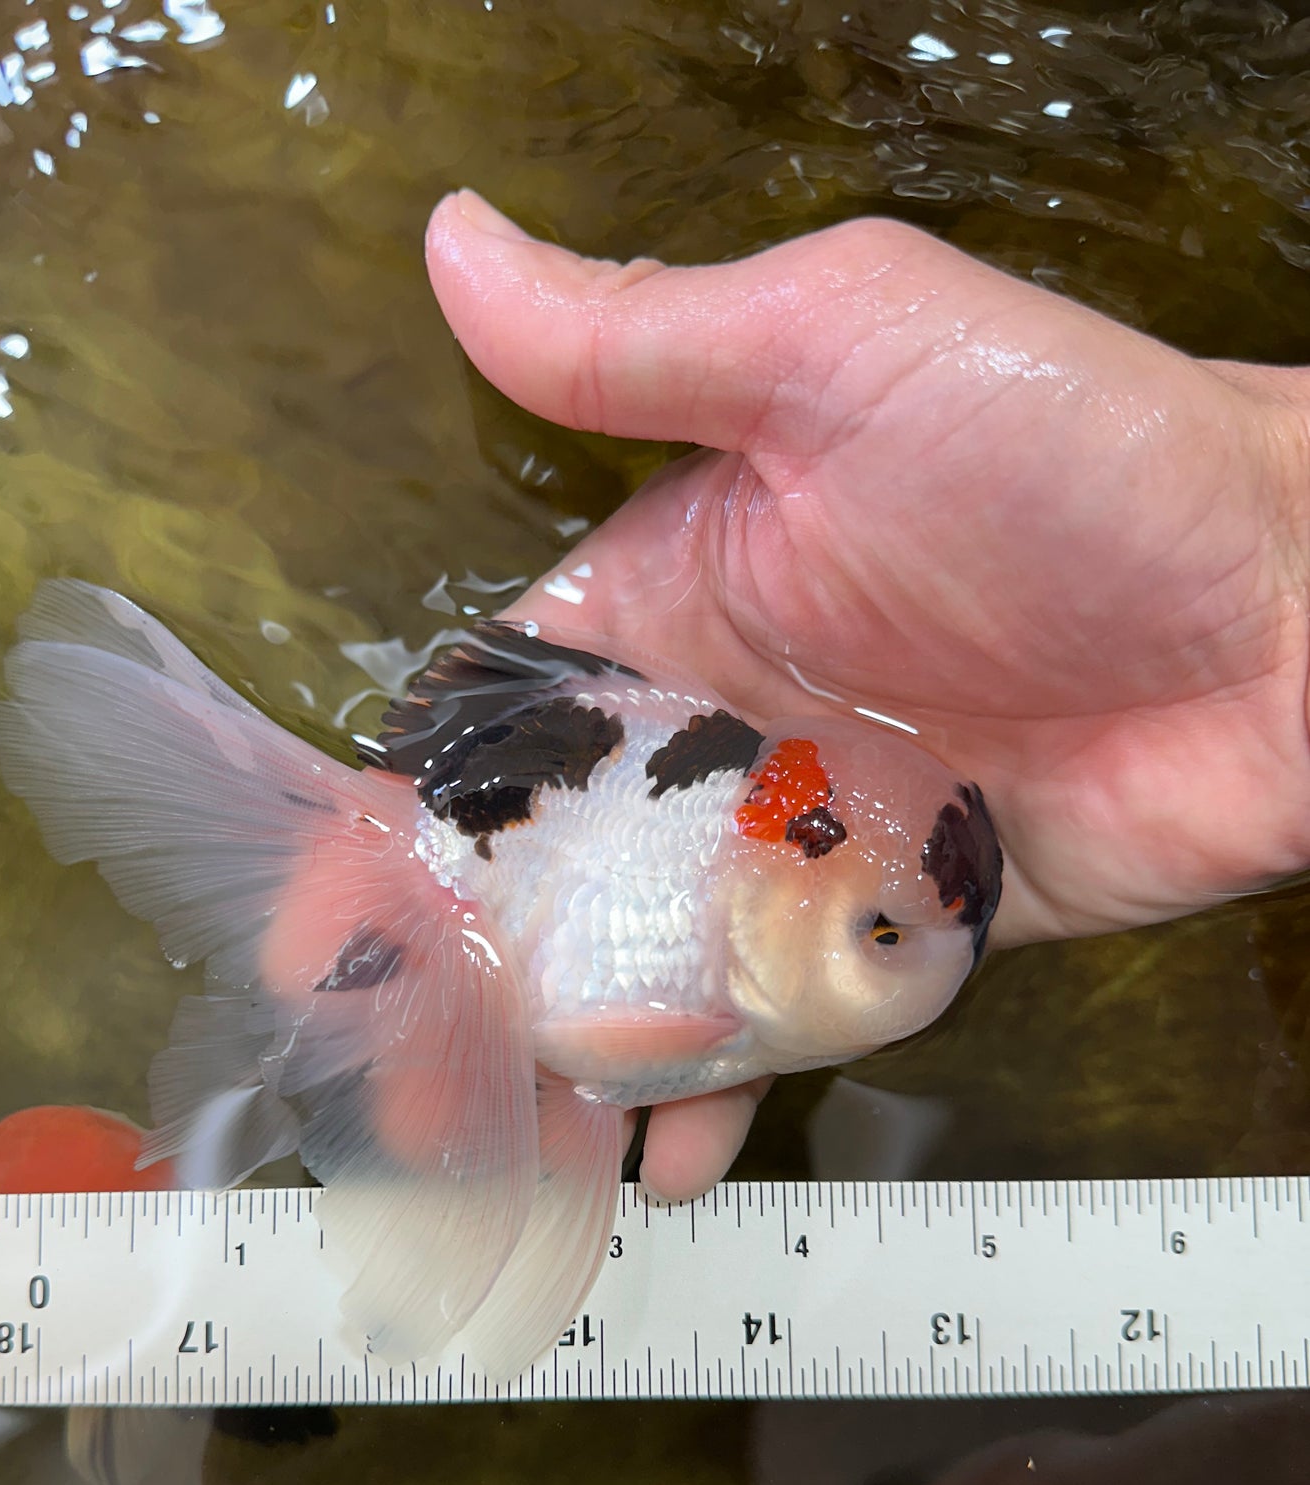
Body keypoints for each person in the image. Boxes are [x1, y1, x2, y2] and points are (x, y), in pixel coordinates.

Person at [425, 190, 1310, 1205]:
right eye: (880, 934)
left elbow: (594, 1041)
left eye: (887, 933)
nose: (936, 951)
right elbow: (599, 1042)